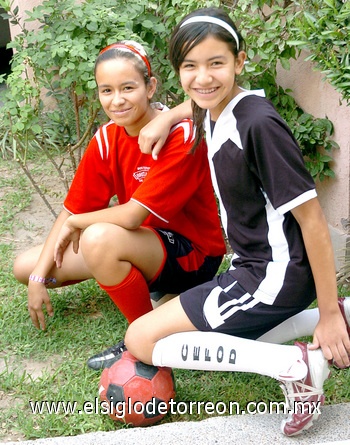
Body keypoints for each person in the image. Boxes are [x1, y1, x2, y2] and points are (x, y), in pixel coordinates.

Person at [123, 8, 350, 437]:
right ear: (177, 71)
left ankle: (294, 366)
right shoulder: (221, 105)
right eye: (190, 66)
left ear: (239, 62)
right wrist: (167, 118)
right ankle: (340, 317)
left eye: (216, 64)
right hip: (258, 267)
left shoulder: (258, 126)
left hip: (271, 276)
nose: (203, 77)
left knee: (142, 339)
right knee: (191, 335)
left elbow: (315, 223)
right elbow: (199, 98)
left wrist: (325, 311)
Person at [13, 40, 227, 369]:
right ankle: (150, 293)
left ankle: (143, 337)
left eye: (128, 87)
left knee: (98, 237)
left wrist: (79, 224)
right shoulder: (107, 138)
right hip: (142, 242)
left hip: (192, 255)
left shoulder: (181, 135)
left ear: (150, 86)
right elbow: (72, 211)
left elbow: (132, 216)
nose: (117, 100)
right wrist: (40, 279)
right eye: (107, 90)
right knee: (26, 267)